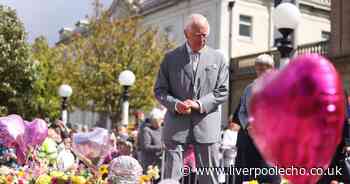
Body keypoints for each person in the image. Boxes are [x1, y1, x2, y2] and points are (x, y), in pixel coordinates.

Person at [154, 13, 229, 184]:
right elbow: (160, 90)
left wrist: (198, 104)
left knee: (209, 178)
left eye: (205, 35)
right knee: (171, 177)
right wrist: (175, 104)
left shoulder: (218, 58)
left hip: (207, 127)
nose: (202, 39)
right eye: (198, 35)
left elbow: (222, 91)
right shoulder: (170, 58)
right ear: (186, 33)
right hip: (176, 127)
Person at [235, 54, 281, 184]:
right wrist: (247, 126)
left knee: (271, 175)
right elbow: (241, 111)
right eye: (259, 68)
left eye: (265, 68)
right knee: (251, 177)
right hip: (251, 139)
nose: (261, 71)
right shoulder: (249, 88)